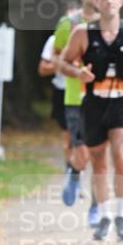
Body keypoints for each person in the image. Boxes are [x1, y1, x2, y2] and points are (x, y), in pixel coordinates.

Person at [59, 0, 123, 241]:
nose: (109, 1)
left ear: (121, 2)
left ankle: (121, 214)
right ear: (96, 3)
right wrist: (78, 72)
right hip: (95, 102)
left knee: (121, 154)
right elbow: (63, 62)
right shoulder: (82, 32)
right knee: (98, 161)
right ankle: (104, 214)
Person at [53, 0, 104, 223]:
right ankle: (74, 171)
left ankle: (95, 207)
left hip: (105, 98)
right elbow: (56, 59)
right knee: (83, 153)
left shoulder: (111, 22)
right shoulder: (69, 23)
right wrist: (76, 70)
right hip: (75, 98)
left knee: (99, 156)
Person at [38, 34, 70, 165]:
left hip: (87, 92)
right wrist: (62, 66)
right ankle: (72, 171)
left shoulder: (92, 36)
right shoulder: (55, 40)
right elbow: (42, 69)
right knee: (68, 133)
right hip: (62, 90)